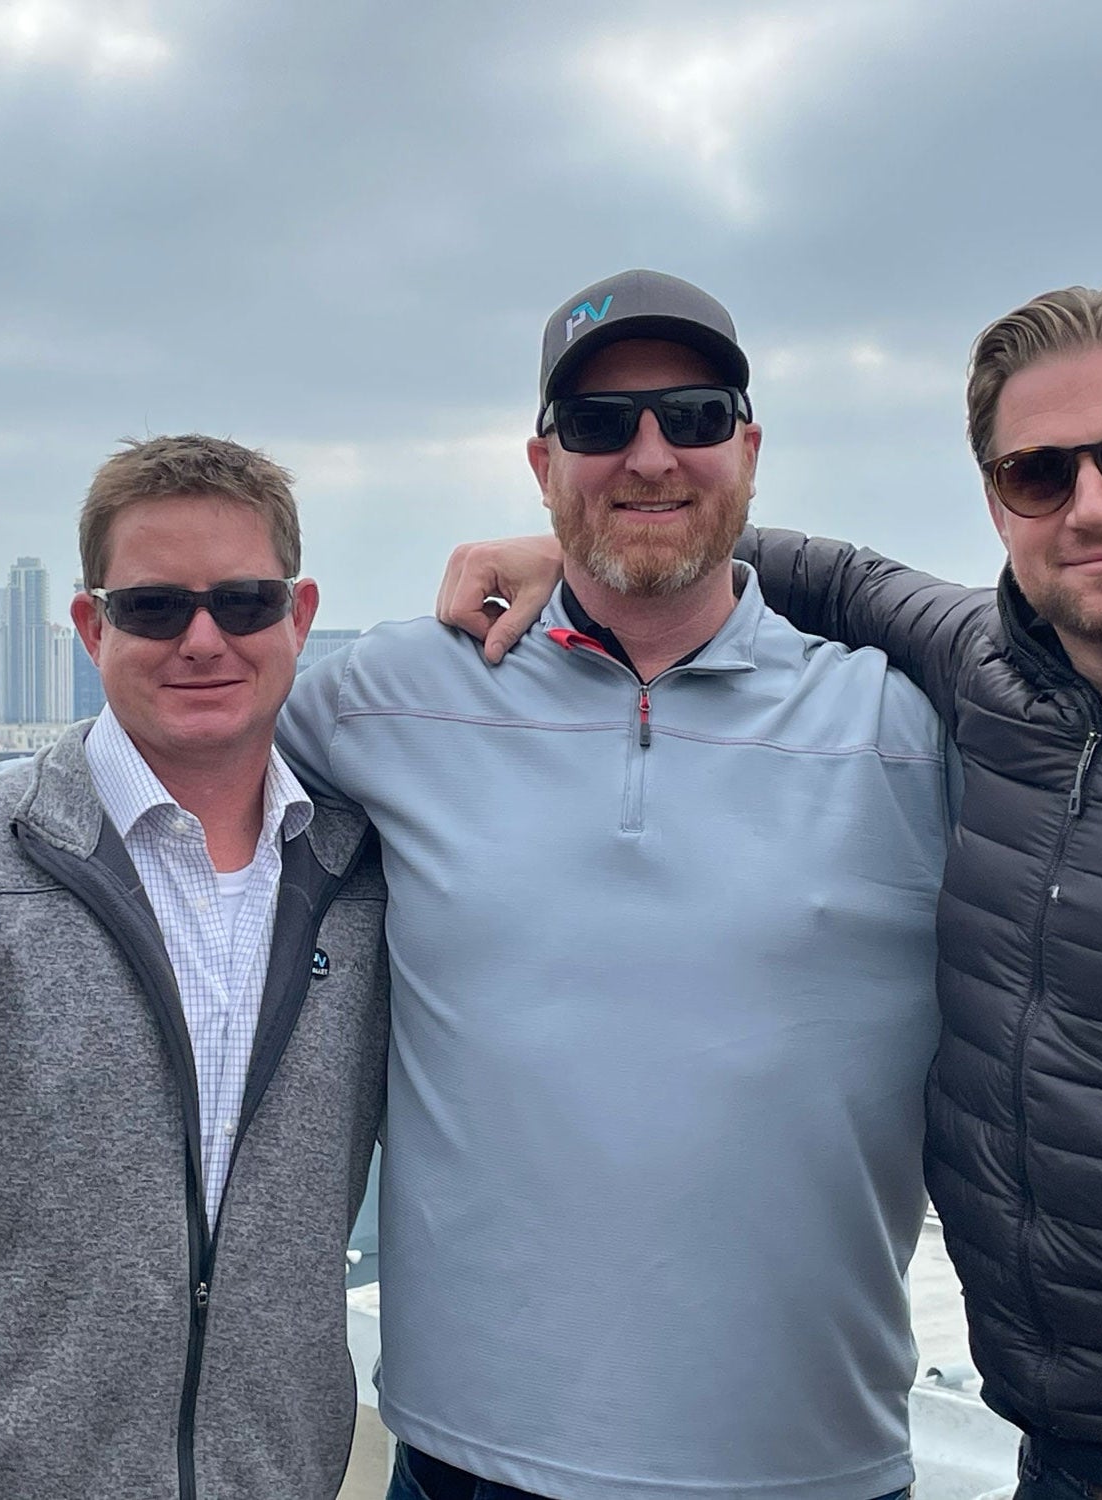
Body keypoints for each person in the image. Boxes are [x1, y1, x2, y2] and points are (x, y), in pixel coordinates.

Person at [438, 285, 1102, 1500]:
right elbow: (834, 575)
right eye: (1039, 475)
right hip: (1064, 1442)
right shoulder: (991, 674)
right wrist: (590, 541)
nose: (1094, 504)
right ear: (997, 503)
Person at [275, 269, 951, 1500]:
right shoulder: (387, 695)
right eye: (600, 428)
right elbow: (176, 740)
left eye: (691, 419)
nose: (649, 455)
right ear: (542, 464)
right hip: (464, 1458)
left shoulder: (902, 726)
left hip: (808, 1467)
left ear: (749, 449)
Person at [0, 435, 390, 1499]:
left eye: (242, 601)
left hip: (279, 1475)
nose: (202, 639)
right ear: (90, 625)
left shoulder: (373, 875)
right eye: (152, 608)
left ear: (299, 615)